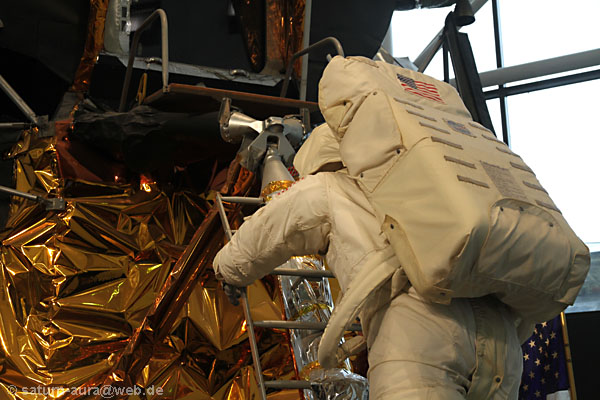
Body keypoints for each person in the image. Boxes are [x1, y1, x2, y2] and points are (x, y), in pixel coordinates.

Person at [213, 121, 524, 399]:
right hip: (502, 339)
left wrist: (228, 270)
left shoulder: (330, 187)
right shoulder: (422, 186)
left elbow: (273, 227)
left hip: (419, 336)